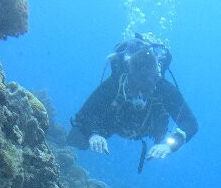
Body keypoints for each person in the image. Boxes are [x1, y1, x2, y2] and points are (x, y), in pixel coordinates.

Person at [67, 37, 198, 169]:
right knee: (77, 138)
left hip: (147, 126)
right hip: (113, 122)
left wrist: (170, 145)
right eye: (135, 87)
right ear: (128, 77)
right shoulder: (115, 83)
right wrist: (93, 134)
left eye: (146, 88)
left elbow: (190, 123)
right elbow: (85, 113)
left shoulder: (165, 89)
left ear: (155, 80)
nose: (139, 95)